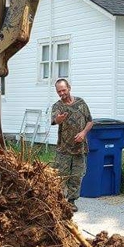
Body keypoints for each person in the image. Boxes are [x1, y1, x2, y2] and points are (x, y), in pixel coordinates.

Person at [51, 78, 93, 212]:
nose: (62, 93)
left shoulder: (81, 103)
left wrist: (83, 133)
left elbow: (90, 121)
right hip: (63, 149)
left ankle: (71, 201)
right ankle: (59, 201)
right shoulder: (58, 106)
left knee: (76, 176)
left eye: (63, 90)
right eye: (59, 91)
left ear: (69, 88)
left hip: (80, 149)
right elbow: (54, 119)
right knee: (60, 176)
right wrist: (59, 119)